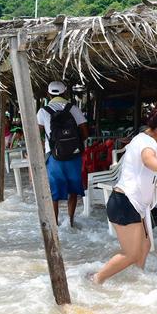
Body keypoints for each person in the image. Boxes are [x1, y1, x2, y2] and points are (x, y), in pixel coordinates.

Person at [93, 108, 157, 284]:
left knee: (145, 246)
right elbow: (148, 159)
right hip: (125, 203)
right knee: (131, 254)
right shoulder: (148, 143)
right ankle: (95, 280)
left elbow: (145, 175)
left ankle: (136, 282)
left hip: (131, 204)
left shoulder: (141, 139)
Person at [37, 80, 90, 228]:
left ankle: (55, 225)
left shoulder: (43, 112)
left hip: (53, 156)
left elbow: (36, 135)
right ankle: (71, 221)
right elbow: (85, 132)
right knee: (73, 189)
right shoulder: (73, 109)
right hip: (74, 155)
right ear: (65, 93)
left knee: (54, 192)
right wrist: (74, 144)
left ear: (48, 94)